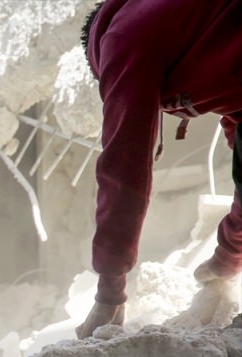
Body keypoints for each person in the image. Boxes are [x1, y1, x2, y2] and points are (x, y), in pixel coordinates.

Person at [75, 0, 242, 339]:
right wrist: (230, 254)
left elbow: (124, 166)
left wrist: (109, 292)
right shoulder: (204, 29)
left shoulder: (123, 37)